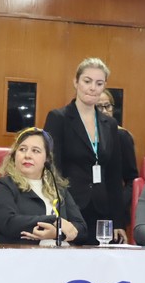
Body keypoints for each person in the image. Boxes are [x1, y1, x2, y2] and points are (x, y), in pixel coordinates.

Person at [44, 58, 124, 245]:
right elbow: (52, 170)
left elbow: (114, 175)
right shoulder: (58, 118)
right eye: (87, 81)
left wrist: (118, 221)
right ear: (76, 82)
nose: (93, 88)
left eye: (99, 83)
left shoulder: (110, 124)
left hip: (101, 210)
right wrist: (58, 212)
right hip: (69, 208)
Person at [0, 127, 85, 245]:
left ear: (47, 159)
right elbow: (9, 223)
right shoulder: (2, 186)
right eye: (22, 149)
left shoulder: (58, 190)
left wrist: (57, 233)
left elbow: (82, 229)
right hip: (18, 254)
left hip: (60, 254)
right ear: (14, 155)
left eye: (35, 151)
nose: (27, 155)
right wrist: (54, 221)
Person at [96, 89, 138, 243]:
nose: (104, 111)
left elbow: (132, 180)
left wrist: (117, 206)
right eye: (99, 107)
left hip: (112, 213)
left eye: (108, 106)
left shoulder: (121, 136)